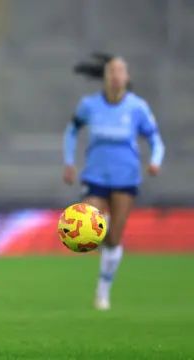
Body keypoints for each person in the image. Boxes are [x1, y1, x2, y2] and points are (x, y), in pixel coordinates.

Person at [63, 53, 165, 310]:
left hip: (126, 178)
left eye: (121, 71)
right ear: (105, 77)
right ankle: (102, 223)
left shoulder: (137, 107)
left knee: (114, 238)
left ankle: (103, 290)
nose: (117, 76)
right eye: (112, 71)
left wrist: (155, 160)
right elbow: (72, 130)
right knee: (90, 224)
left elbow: (155, 139)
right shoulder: (89, 105)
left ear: (127, 77)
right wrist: (68, 162)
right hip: (95, 176)